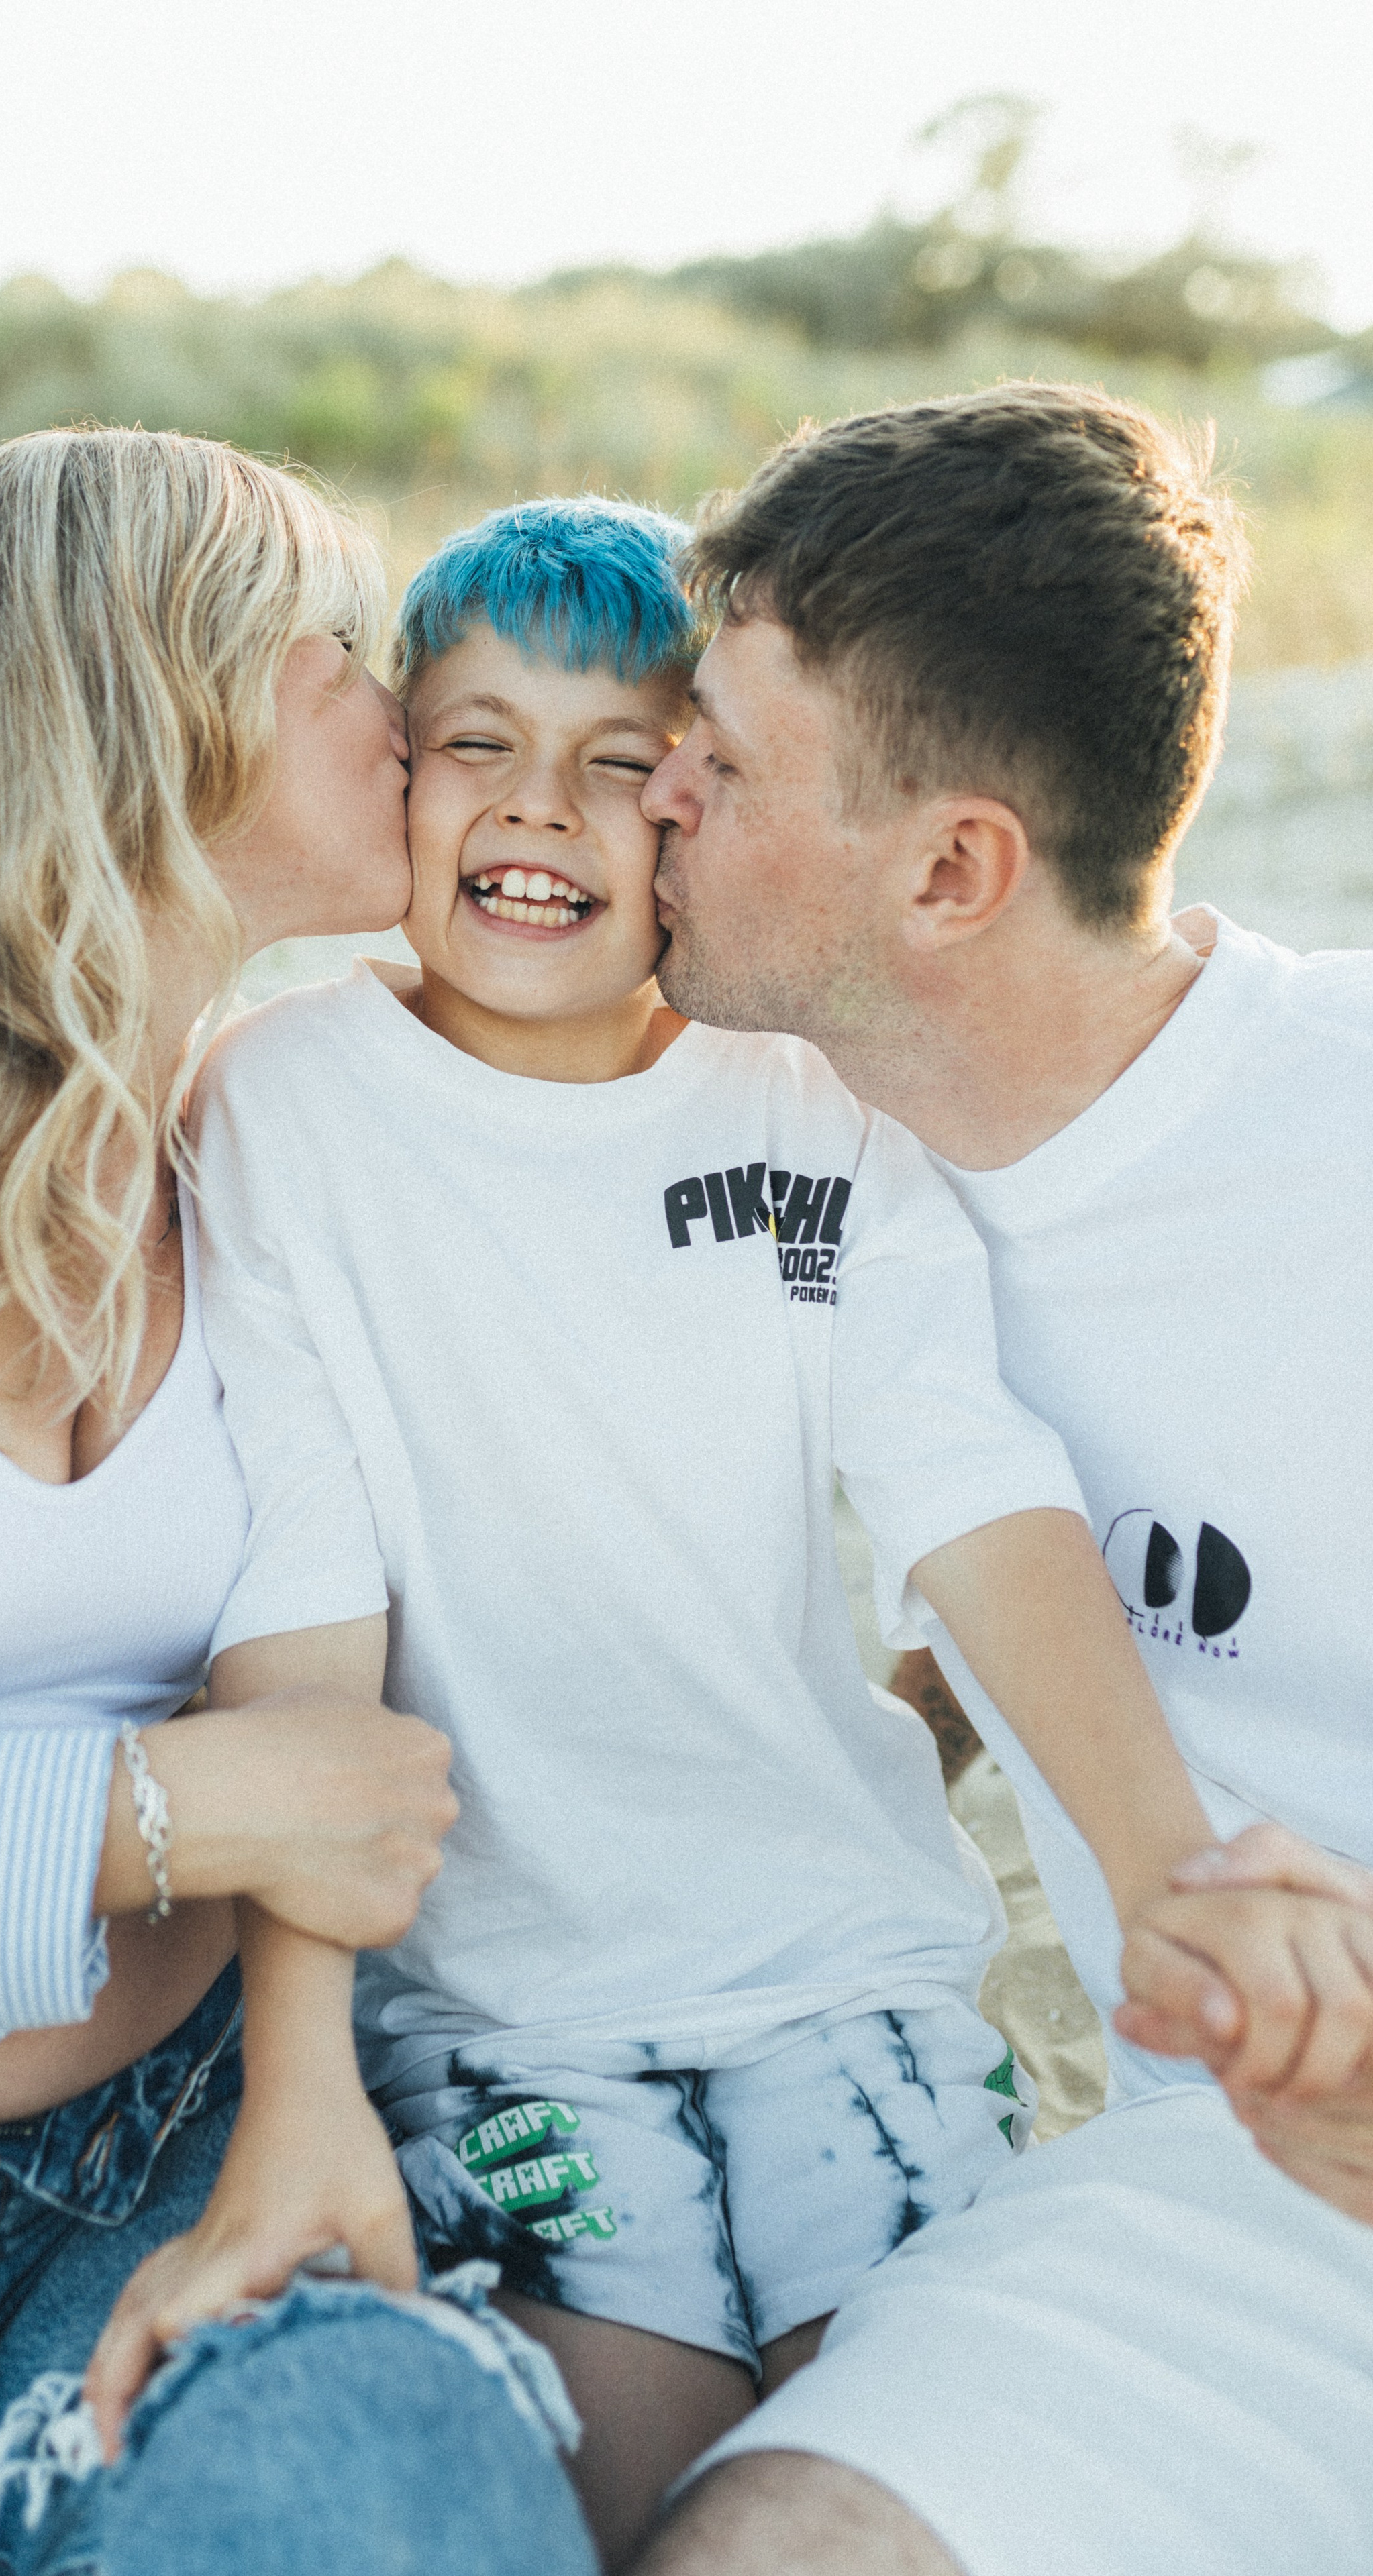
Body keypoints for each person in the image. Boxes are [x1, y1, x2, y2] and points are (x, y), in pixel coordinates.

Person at [105, 498, 1346, 2571]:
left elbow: (973, 1486)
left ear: (688, 813)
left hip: (848, 1986)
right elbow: (300, 1615)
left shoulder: (804, 1095)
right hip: (510, 2016)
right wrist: (297, 2076)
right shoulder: (276, 1110)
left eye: (629, 761)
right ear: (400, 774)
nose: (550, 810)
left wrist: (1179, 1883)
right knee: (610, 2506)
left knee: (900, 2462)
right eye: (475, 742)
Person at [0, 427, 594, 2576]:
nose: (403, 700)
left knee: (382, 2514)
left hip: (183, 2160)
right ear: (149, 691)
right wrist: (167, 1811)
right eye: (338, 653)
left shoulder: (266, 1138)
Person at [633, 384, 1373, 2576]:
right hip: (1234, 2178)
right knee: (770, 2546)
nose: (654, 790)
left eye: (727, 762)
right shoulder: (787, 1155)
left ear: (954, 871)